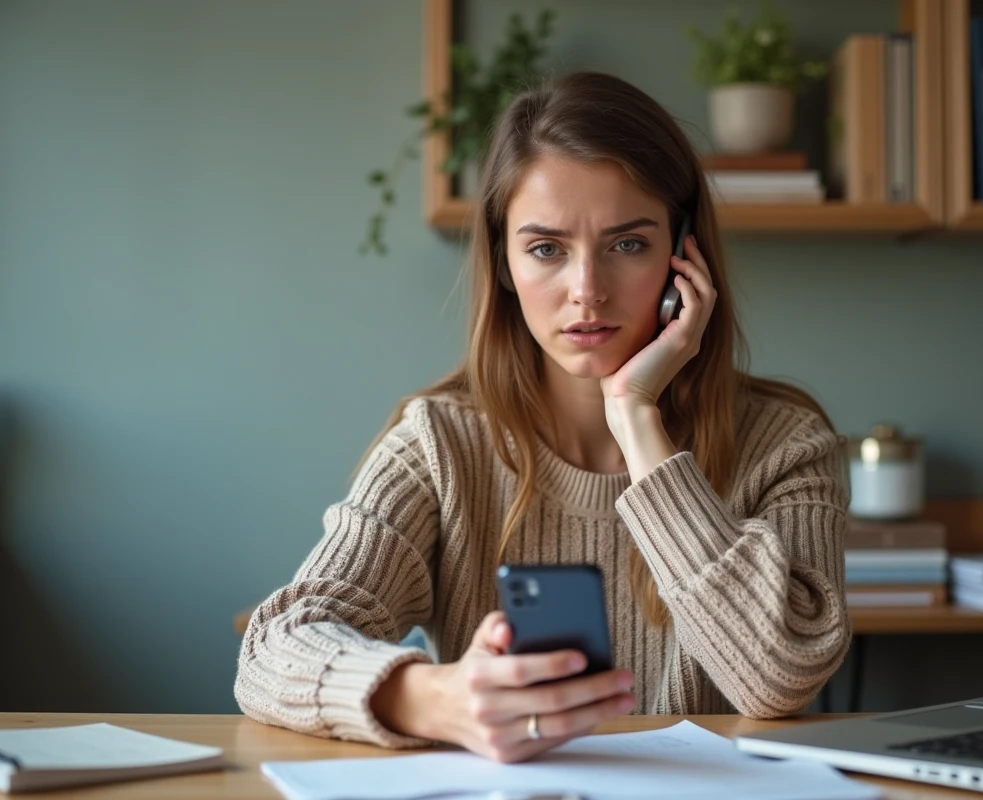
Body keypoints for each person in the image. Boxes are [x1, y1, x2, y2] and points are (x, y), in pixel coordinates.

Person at [235, 71, 851, 764]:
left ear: (685, 257)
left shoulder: (786, 443)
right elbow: (276, 647)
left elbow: (781, 677)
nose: (586, 291)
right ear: (502, 262)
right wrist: (438, 698)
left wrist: (637, 418)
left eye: (627, 244)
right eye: (546, 249)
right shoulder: (440, 444)